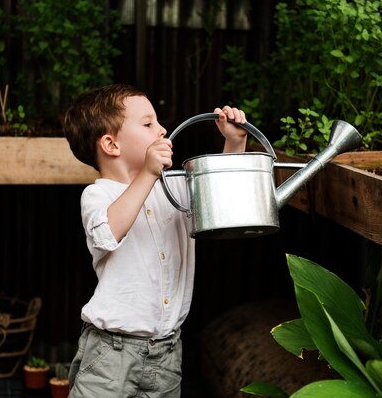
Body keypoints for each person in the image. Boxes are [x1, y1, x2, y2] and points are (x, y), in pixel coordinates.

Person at [62, 83, 247, 398]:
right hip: (112, 353)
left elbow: (222, 201)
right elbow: (107, 233)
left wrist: (234, 141)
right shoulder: (98, 195)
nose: (162, 130)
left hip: (167, 352)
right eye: (148, 124)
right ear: (110, 144)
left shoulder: (173, 187)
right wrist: (147, 173)